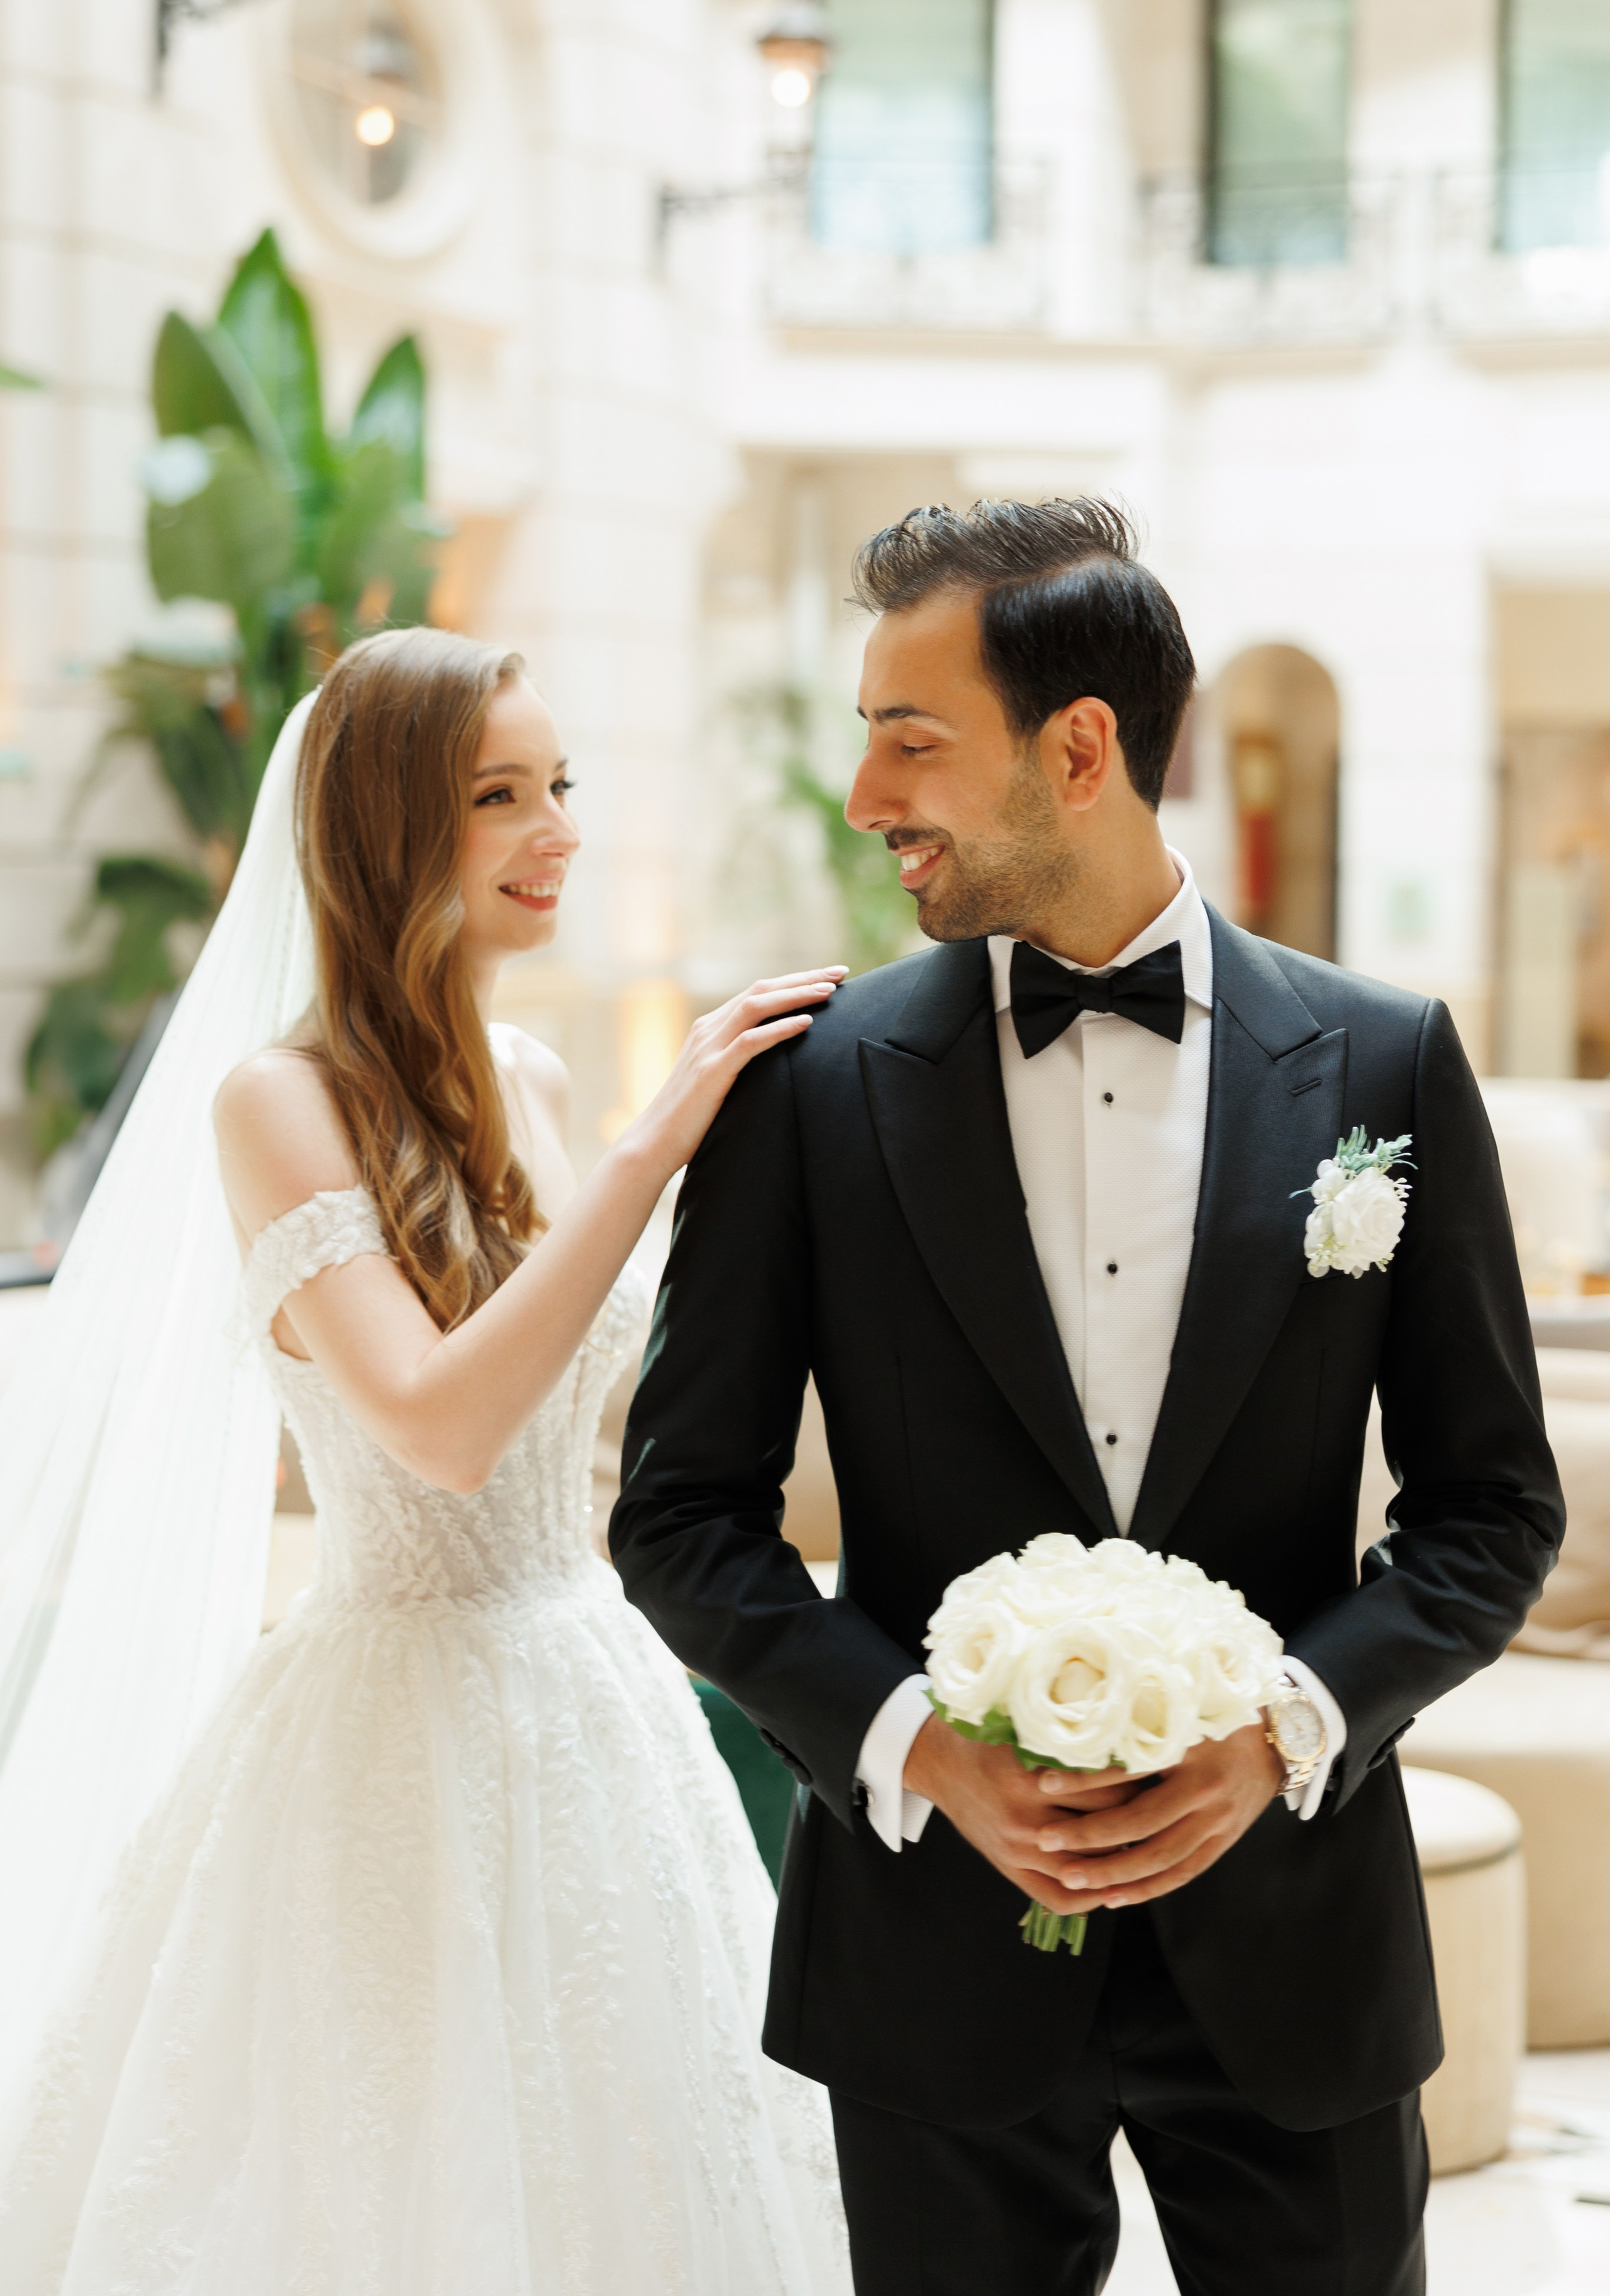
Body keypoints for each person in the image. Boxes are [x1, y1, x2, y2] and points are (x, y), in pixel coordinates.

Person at [611, 498, 1565, 2296]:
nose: (865, 796)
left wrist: (1286, 1725)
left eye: (911, 740)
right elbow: (678, 1519)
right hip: (927, 1966)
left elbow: (1493, 1510)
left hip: (1298, 1955)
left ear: (1079, 749)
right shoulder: (806, 1089)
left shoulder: (1388, 1063)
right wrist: (921, 1749)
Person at [0, 628, 850, 2293]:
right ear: (391, 832)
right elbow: (442, 1426)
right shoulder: (278, 1100)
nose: (560, 831)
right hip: (389, 1722)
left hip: (593, 1682)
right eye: (499, 796)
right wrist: (651, 1142)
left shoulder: (527, 1077)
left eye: (560, 787)